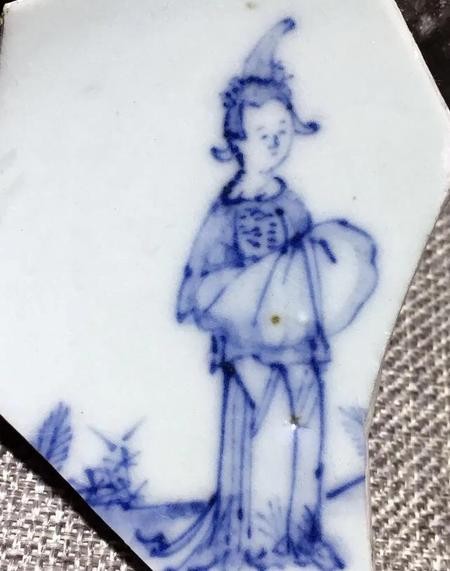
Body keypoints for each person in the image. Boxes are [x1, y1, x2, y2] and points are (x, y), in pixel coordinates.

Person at [144, 18, 378, 571]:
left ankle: (298, 538)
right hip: (248, 350)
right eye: (262, 132)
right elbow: (198, 286)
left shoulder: (292, 202)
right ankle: (257, 543)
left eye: (282, 129)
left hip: (300, 348)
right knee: (262, 438)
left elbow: (314, 277)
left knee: (303, 439)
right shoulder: (224, 211)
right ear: (237, 140)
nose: (274, 141)